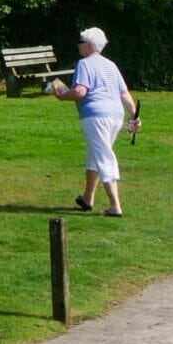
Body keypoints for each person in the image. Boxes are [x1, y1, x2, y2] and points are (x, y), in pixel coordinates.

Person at [49, 28, 137, 216]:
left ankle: (115, 206)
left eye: (81, 42)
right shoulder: (111, 65)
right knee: (94, 153)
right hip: (115, 115)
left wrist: (61, 95)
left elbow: (81, 92)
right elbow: (124, 94)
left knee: (103, 156)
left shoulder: (84, 64)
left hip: (95, 115)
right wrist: (134, 116)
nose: (78, 45)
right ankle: (88, 198)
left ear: (88, 45)